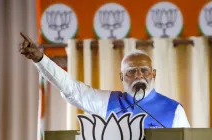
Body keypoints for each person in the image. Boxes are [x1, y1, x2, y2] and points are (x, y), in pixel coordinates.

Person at [19, 32, 190, 128]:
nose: (138, 75)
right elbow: (72, 89)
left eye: (144, 71)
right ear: (122, 77)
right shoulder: (110, 102)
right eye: (131, 71)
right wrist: (40, 59)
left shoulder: (174, 109)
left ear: (153, 74)